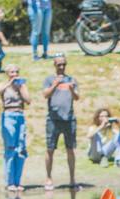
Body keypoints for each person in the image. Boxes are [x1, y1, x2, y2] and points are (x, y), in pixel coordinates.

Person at [42, 54, 79, 191]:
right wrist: (55, 84)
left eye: (64, 64)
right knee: (50, 149)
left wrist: (72, 89)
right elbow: (45, 95)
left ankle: (72, 179)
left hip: (69, 119)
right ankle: (48, 178)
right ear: (54, 65)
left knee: (70, 149)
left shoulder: (71, 79)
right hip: (53, 119)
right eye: (59, 65)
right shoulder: (49, 79)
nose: (62, 67)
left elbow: (77, 97)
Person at [0, 64, 30, 192]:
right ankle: (9, 182)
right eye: (12, 72)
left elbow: (28, 100)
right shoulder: (4, 85)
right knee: (10, 148)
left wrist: (21, 88)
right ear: (7, 74)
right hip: (8, 116)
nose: (15, 74)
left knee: (21, 149)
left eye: (16, 72)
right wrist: (9, 84)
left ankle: (17, 181)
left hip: (20, 115)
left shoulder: (21, 85)